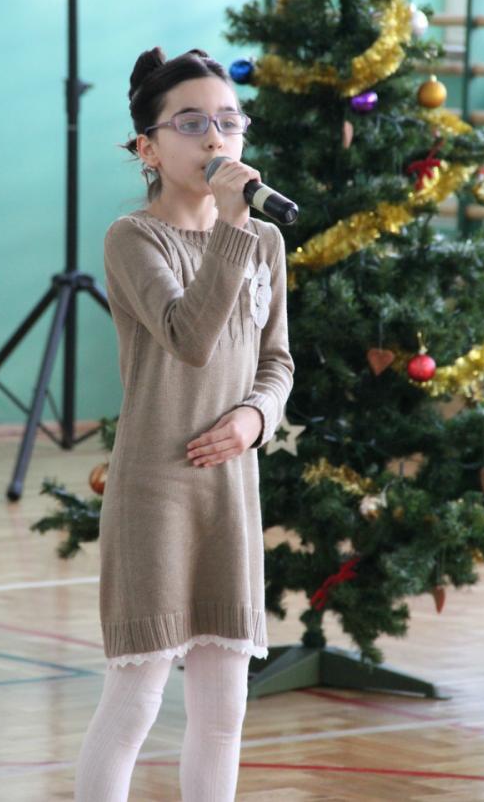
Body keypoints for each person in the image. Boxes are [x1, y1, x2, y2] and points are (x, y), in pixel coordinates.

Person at [74, 46, 294, 801]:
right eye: (193, 123)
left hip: (229, 491)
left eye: (229, 121)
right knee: (135, 701)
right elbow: (189, 338)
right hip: (156, 493)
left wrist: (256, 419)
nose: (216, 138)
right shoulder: (132, 239)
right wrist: (231, 224)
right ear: (148, 148)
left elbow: (278, 361)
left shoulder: (265, 241)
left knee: (224, 709)